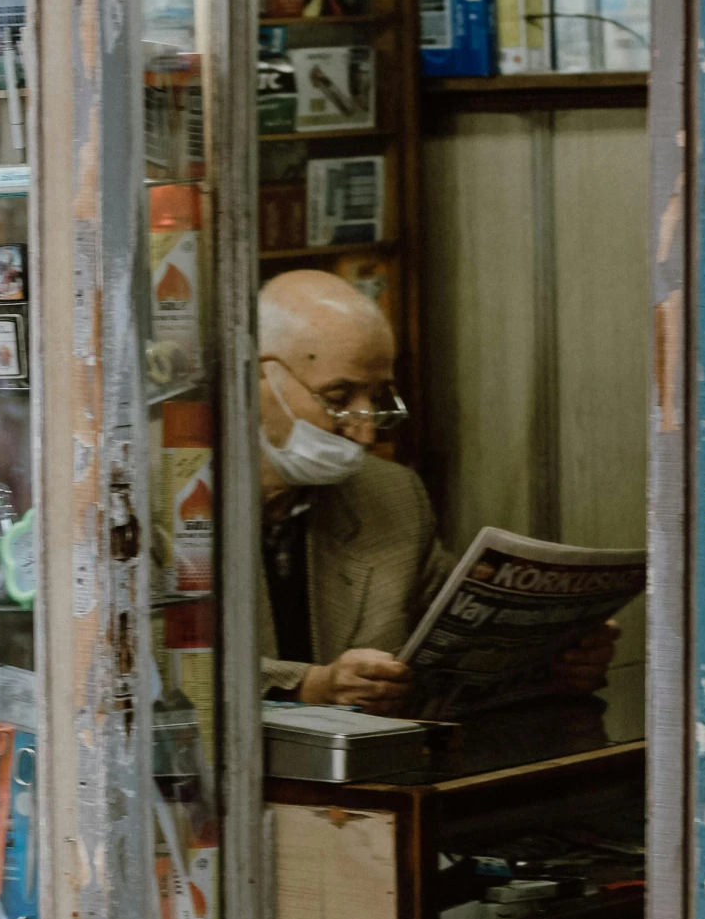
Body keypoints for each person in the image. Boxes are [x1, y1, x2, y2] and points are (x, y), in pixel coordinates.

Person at [257, 269, 614, 715]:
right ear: (256, 381)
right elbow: (166, 666)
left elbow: (447, 657)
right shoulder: (165, 499)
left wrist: (556, 663)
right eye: (340, 395)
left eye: (378, 396)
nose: (366, 432)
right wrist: (310, 687)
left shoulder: (390, 494)